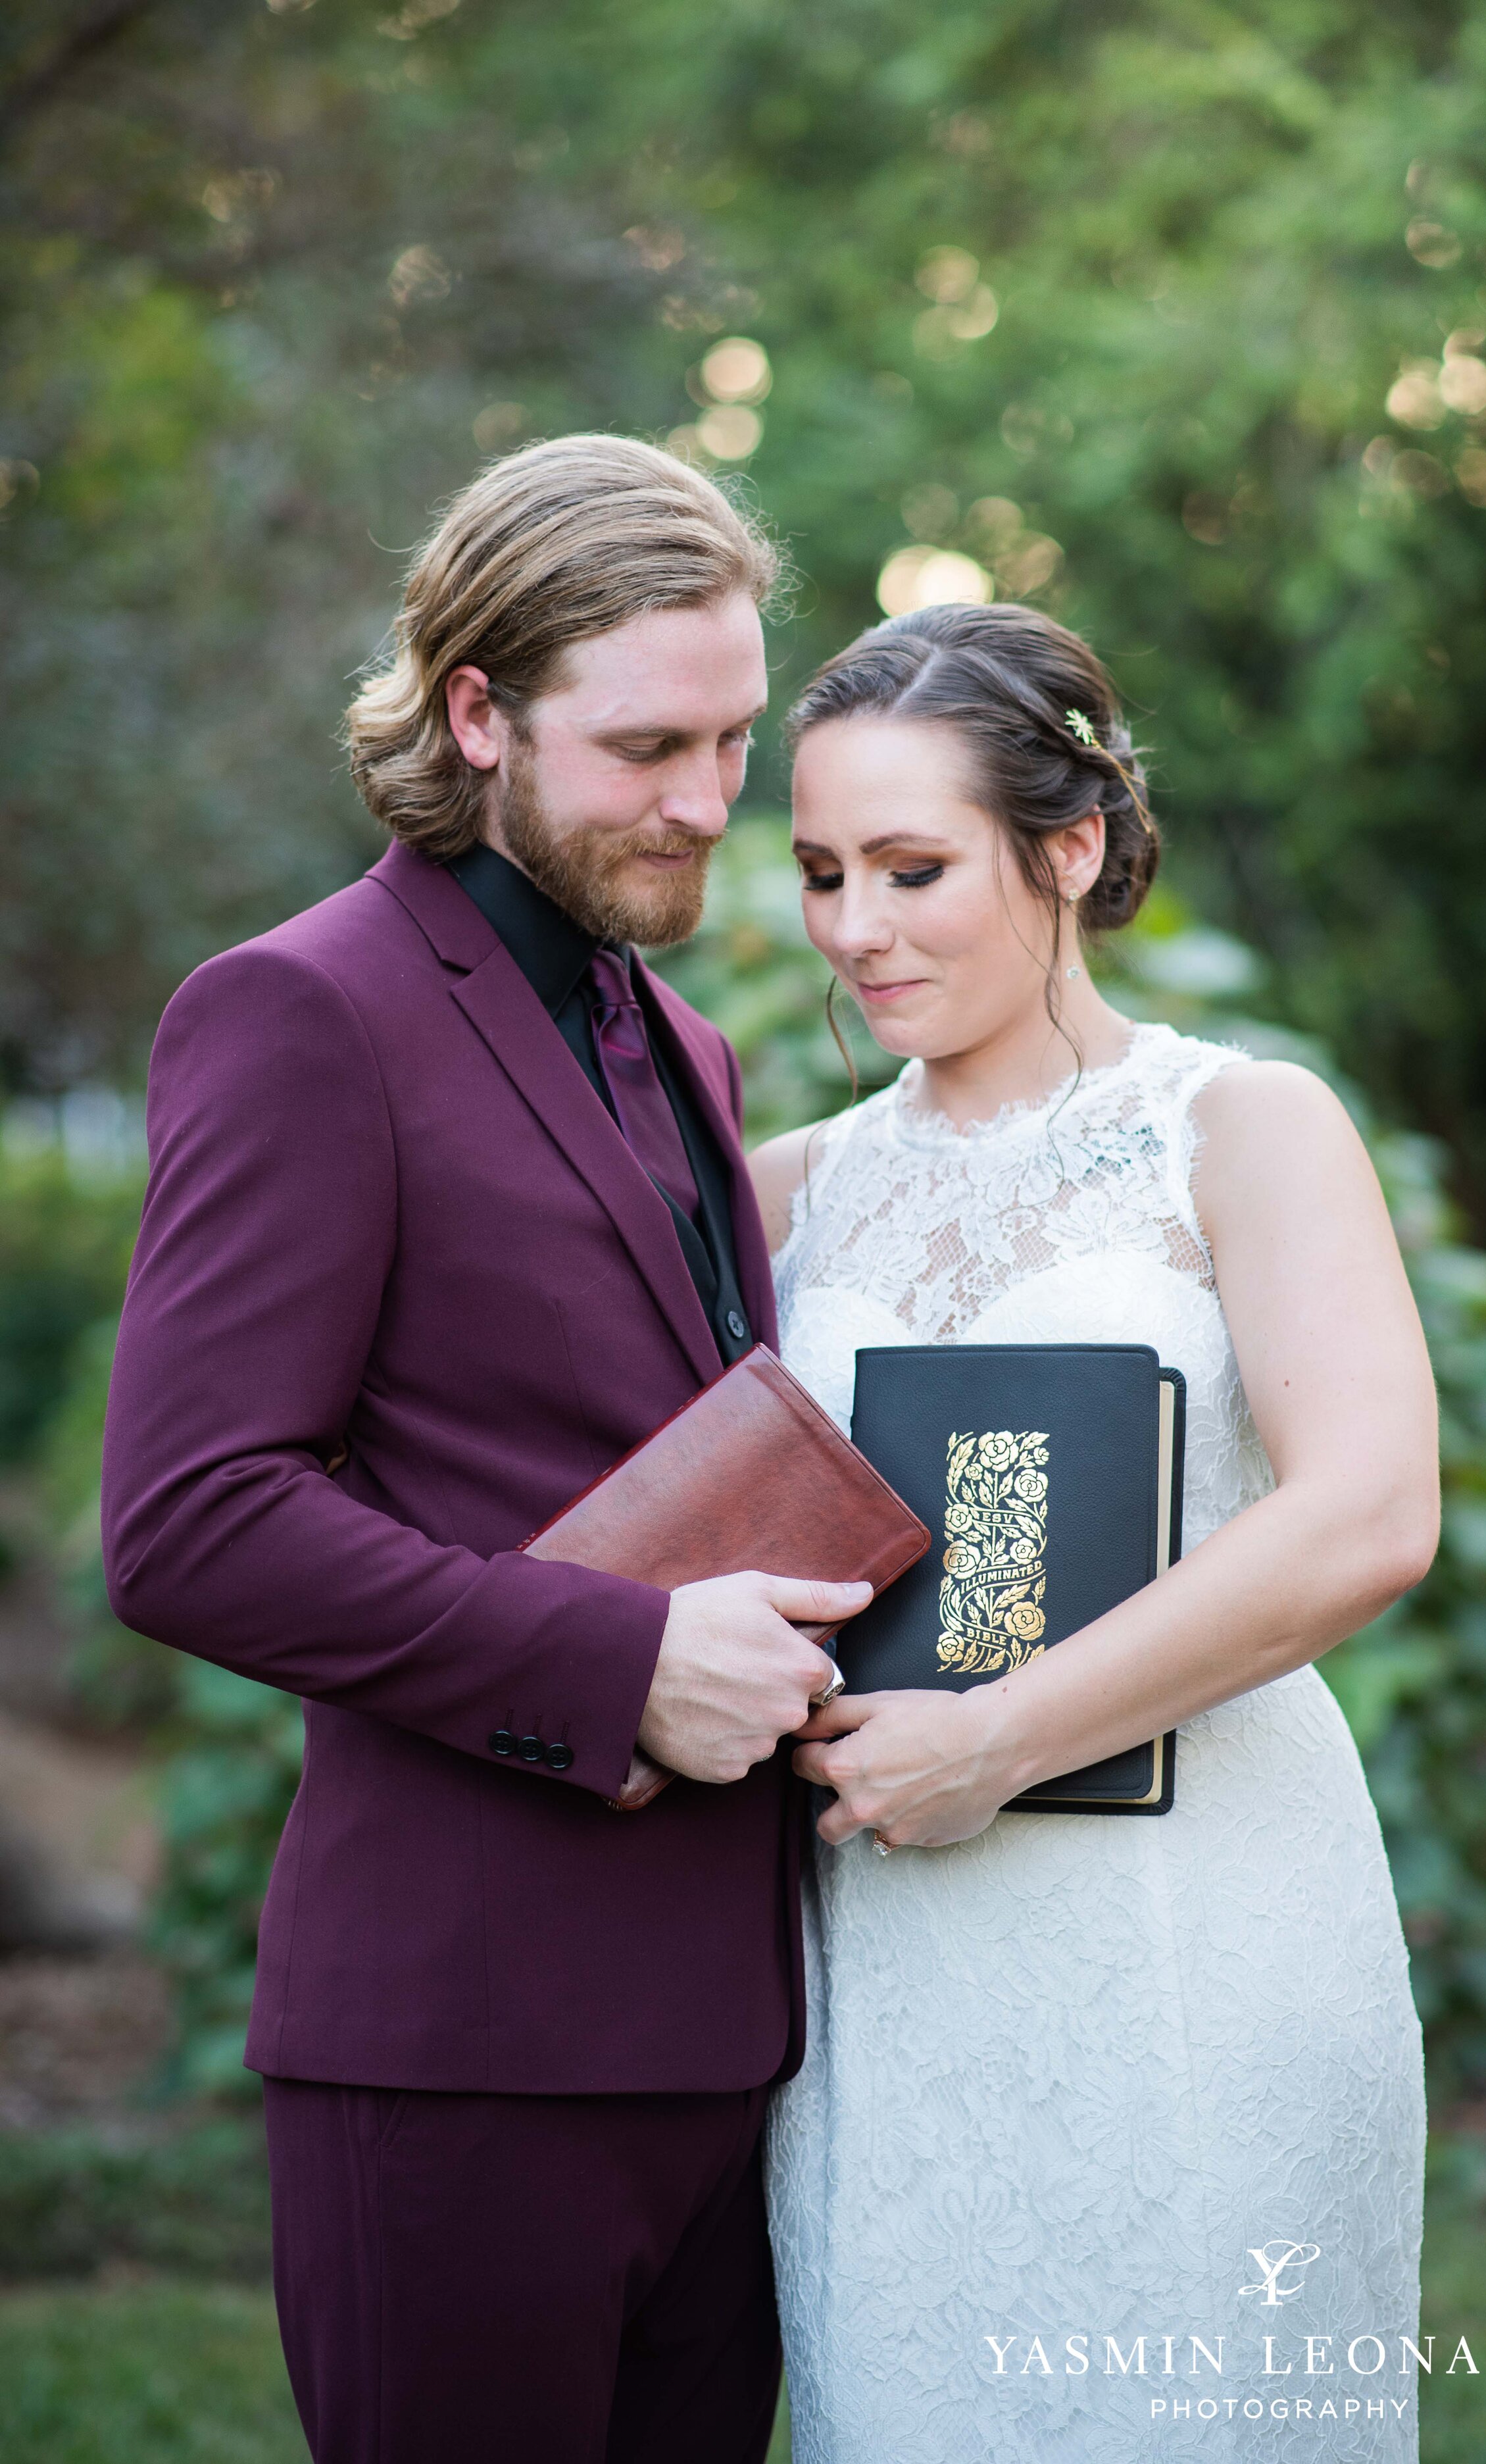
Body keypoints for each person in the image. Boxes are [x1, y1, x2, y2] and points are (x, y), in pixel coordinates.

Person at [100, 434, 869, 2464]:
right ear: (476, 715)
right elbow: (190, 1519)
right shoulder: (297, 1012)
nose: (706, 802)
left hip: (726, 2050)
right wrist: (619, 1665)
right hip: (459, 2054)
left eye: (729, 737)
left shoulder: (678, 1040)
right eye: (643, 747)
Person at [748, 602, 1440, 2464]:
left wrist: (992, 1734)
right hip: (890, 1968)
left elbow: (1366, 1511)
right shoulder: (783, 1192)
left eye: (911, 867)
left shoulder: (1241, 1128)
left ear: (1067, 848)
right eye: (819, 871)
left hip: (1203, 1931)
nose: (853, 927)